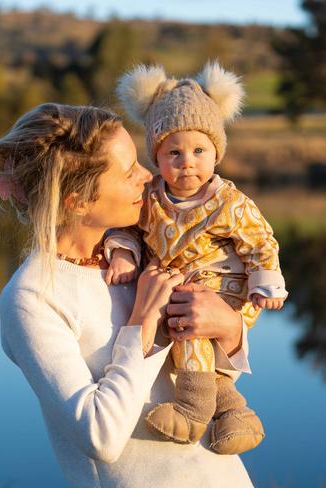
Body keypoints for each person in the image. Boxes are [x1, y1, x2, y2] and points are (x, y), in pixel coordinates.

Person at [0, 103, 254, 487]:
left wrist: (230, 328)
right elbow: (99, 437)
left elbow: (201, 372)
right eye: (128, 172)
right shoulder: (32, 298)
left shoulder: (144, 249)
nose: (147, 176)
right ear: (77, 201)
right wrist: (141, 323)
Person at [104, 62, 288, 454]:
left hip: (225, 287)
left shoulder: (227, 201)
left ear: (216, 154)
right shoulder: (152, 197)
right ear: (156, 157)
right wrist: (122, 251)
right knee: (186, 329)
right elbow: (128, 228)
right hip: (178, 284)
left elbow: (260, 240)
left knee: (189, 329)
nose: (187, 160)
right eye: (174, 152)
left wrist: (266, 281)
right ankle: (234, 413)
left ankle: (191, 412)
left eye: (199, 150)